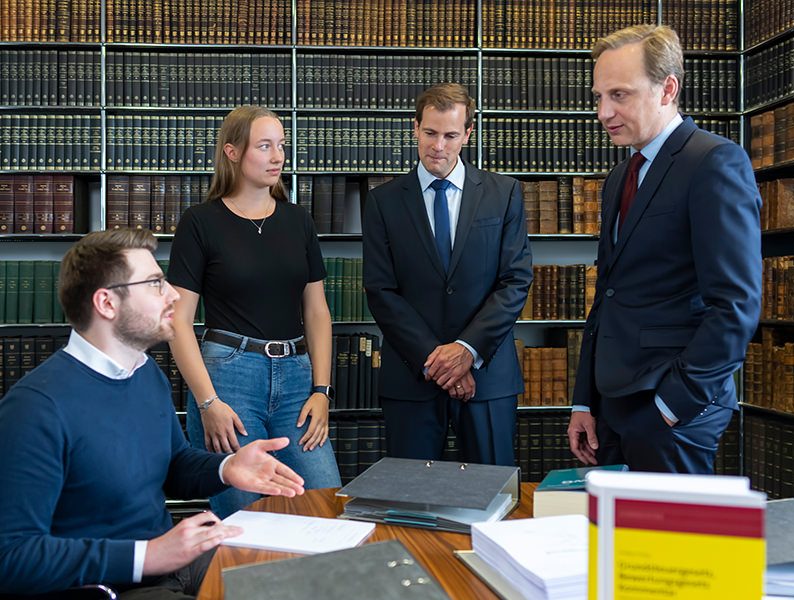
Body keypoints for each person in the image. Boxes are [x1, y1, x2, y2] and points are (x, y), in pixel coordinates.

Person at [0, 229, 305, 597]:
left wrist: (227, 468)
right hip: (106, 587)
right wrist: (149, 555)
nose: (174, 294)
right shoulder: (35, 408)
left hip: (171, 568)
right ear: (107, 304)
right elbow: (11, 557)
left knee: (304, 580)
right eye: (156, 283)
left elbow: (173, 466)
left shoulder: (145, 372)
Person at [567, 25, 762, 473]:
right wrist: (585, 401)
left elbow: (735, 306)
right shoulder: (621, 176)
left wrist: (672, 407)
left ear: (667, 88)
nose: (603, 111)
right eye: (598, 96)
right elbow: (608, 298)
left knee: (671, 545)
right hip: (613, 408)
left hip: (671, 412)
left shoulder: (715, 162)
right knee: (617, 544)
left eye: (619, 95)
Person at [168, 106, 340, 519]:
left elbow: (317, 312)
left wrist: (323, 391)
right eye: (265, 146)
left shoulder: (298, 220)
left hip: (299, 382)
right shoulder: (200, 222)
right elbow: (177, 321)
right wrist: (208, 402)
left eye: (281, 145)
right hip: (229, 381)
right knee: (247, 522)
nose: (278, 156)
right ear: (232, 152)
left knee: (327, 509)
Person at [363, 83, 533, 466]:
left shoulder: (503, 193)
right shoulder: (383, 202)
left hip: (487, 378)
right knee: (411, 508)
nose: (438, 146)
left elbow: (515, 281)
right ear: (415, 128)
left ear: (468, 134)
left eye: (451, 135)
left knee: (492, 501)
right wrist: (436, 361)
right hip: (411, 378)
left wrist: (466, 353)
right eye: (430, 133)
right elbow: (380, 291)